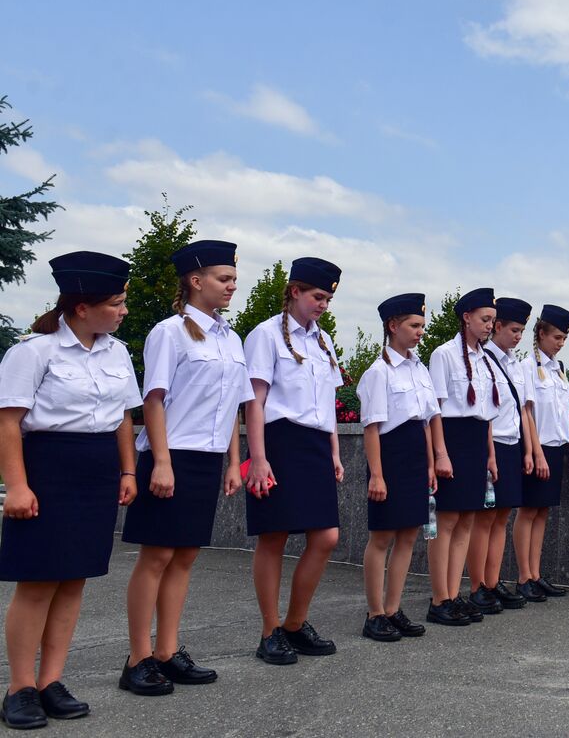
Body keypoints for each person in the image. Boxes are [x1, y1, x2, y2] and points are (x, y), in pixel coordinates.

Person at [0, 252, 139, 729]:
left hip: (97, 470)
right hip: (48, 469)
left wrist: (128, 472)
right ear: (82, 308)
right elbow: (8, 423)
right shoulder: (34, 352)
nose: (123, 311)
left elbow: (123, 418)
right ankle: (19, 688)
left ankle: (51, 681)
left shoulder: (116, 352)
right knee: (39, 581)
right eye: (116, 303)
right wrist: (17, 486)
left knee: (74, 579)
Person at [122, 240, 251, 694]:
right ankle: (137, 658)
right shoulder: (169, 332)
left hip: (207, 459)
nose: (232, 286)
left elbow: (232, 406)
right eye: (224, 278)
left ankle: (167, 651)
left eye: (233, 279)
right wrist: (161, 462)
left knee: (186, 556)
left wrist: (233, 461)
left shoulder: (231, 338)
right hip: (171, 454)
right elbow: (153, 400)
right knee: (156, 556)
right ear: (196, 281)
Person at [243, 257, 346, 664]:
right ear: (295, 291)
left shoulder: (323, 341)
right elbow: (255, 401)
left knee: (326, 537)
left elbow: (329, 403)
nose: (323, 305)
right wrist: (259, 457)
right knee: (274, 536)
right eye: (317, 296)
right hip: (280, 442)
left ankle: (294, 623)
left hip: (316, 444)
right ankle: (269, 632)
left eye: (328, 300)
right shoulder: (265, 335)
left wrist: (334, 452)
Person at [356, 293, 438, 642]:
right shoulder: (379, 372)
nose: (420, 331)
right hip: (390, 456)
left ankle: (393, 608)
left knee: (408, 535)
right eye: (414, 325)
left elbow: (426, 422)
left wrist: (431, 464)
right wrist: (377, 474)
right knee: (382, 537)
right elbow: (372, 427)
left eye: (422, 325)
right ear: (393, 326)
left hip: (416, 456)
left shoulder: (420, 369)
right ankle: (374, 614)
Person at [427, 288, 501, 623]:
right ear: (466, 317)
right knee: (446, 520)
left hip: (476, 440)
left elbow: (486, 414)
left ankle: (454, 594)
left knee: (468, 519)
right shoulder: (443, 354)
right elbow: (435, 410)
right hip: (452, 438)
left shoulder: (485, 359)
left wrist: (490, 455)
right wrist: (440, 454)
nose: (489, 325)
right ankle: (439, 598)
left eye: (492, 320)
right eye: (485, 319)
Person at [515, 304, 569, 600]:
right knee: (528, 510)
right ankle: (523, 577)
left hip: (556, 447)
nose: (561, 343)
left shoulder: (559, 369)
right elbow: (527, 411)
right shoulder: (527, 367)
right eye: (557, 337)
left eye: (564, 338)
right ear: (540, 333)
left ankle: (536, 574)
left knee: (542, 512)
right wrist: (536, 453)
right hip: (536, 447)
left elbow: (564, 413)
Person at [479, 297, 535, 607]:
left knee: (502, 516)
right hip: (493, 443)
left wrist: (527, 450)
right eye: (514, 330)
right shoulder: (484, 359)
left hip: (513, 444)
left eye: (522, 331)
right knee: (486, 518)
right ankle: (480, 585)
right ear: (497, 326)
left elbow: (522, 410)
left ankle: (494, 580)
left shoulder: (515, 363)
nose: (518, 337)